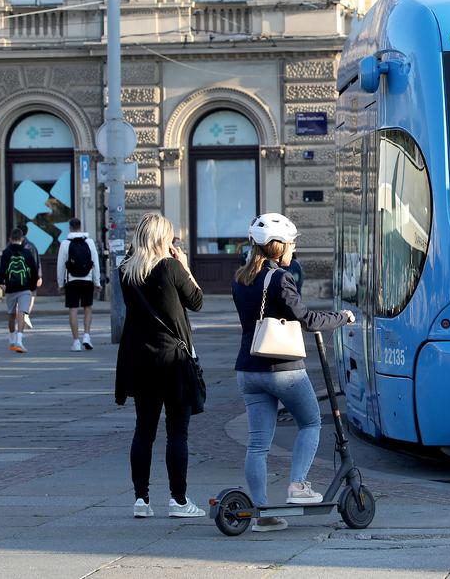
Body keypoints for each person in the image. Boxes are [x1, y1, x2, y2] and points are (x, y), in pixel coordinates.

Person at [232, 213, 353, 532]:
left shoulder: (240, 279)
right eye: (292, 243)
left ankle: (261, 513)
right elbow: (308, 320)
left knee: (258, 443)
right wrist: (341, 317)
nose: (294, 249)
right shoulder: (280, 278)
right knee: (311, 421)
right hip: (280, 367)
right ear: (279, 246)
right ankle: (298, 485)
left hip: (248, 367)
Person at [115, 213, 205, 520]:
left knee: (144, 430)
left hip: (140, 360)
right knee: (177, 432)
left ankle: (141, 500)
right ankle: (178, 501)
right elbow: (197, 301)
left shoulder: (125, 271)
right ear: (163, 239)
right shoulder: (171, 267)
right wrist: (186, 267)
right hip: (173, 360)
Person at [57, 218, 101, 351]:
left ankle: (76, 341)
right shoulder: (89, 242)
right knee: (88, 307)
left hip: (72, 280)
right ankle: (87, 336)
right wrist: (97, 282)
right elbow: (95, 263)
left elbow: (60, 265)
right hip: (87, 280)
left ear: (70, 228)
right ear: (80, 227)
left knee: (73, 309)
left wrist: (60, 283)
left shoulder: (65, 243)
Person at [0, 228, 41, 354]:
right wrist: (32, 287)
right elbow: (33, 271)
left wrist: (1, 282)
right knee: (22, 312)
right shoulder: (27, 253)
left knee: (11, 314)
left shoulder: (6, 253)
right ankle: (19, 341)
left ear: (10, 239)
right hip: (25, 288)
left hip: (10, 288)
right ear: (22, 239)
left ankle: (11, 341)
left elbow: (2, 269)